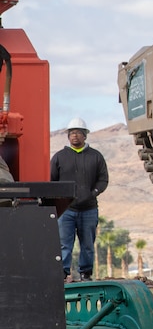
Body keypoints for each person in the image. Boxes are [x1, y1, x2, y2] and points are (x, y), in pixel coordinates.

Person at [50, 117, 109, 282]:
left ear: (85, 136)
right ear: (68, 136)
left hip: (89, 209)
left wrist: (93, 193)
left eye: (78, 132)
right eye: (72, 133)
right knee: (64, 244)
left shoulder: (96, 157)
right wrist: (58, 199)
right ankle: (62, 273)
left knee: (88, 245)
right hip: (66, 210)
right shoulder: (59, 157)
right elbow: (51, 180)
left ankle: (86, 273)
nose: (74, 136)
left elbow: (103, 180)